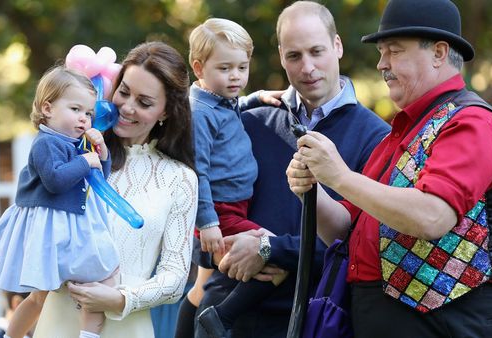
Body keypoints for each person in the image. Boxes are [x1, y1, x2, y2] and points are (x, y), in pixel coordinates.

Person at [286, 0, 492, 337]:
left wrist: (340, 176)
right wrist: (312, 189)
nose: (381, 64)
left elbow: (432, 216)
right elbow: (345, 231)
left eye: (394, 51)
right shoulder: (402, 131)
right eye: (383, 52)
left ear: (439, 53)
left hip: (453, 322)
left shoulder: (471, 120)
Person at [195, 2, 391, 337]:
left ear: (338, 46)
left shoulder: (375, 137)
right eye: (294, 56)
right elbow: (204, 221)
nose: (308, 67)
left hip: (313, 320)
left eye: (317, 51)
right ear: (281, 56)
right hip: (226, 316)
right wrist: (225, 252)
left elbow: (362, 247)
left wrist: (271, 250)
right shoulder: (250, 122)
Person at [32, 41, 198, 338]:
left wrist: (120, 298)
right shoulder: (74, 153)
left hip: (126, 326)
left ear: (166, 112)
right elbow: (36, 223)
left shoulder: (180, 178)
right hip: (60, 318)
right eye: (124, 92)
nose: (127, 107)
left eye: (145, 102)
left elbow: (174, 277)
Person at [0, 65, 120, 338]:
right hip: (51, 228)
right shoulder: (45, 143)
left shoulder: (79, 143)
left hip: (74, 227)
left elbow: (100, 179)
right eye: (76, 109)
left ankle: (88, 334)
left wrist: (101, 153)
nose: (84, 119)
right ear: (47, 108)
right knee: (38, 297)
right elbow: (55, 180)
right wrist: (84, 160)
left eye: (89, 113)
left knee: (96, 284)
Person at [176, 17, 285, 338]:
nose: (236, 76)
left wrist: (256, 97)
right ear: (199, 68)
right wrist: (208, 222)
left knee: (201, 287)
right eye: (225, 69)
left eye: (242, 67)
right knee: (277, 256)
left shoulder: (220, 101)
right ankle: (223, 315)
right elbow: (197, 171)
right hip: (221, 213)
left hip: (234, 207)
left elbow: (232, 106)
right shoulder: (200, 113)